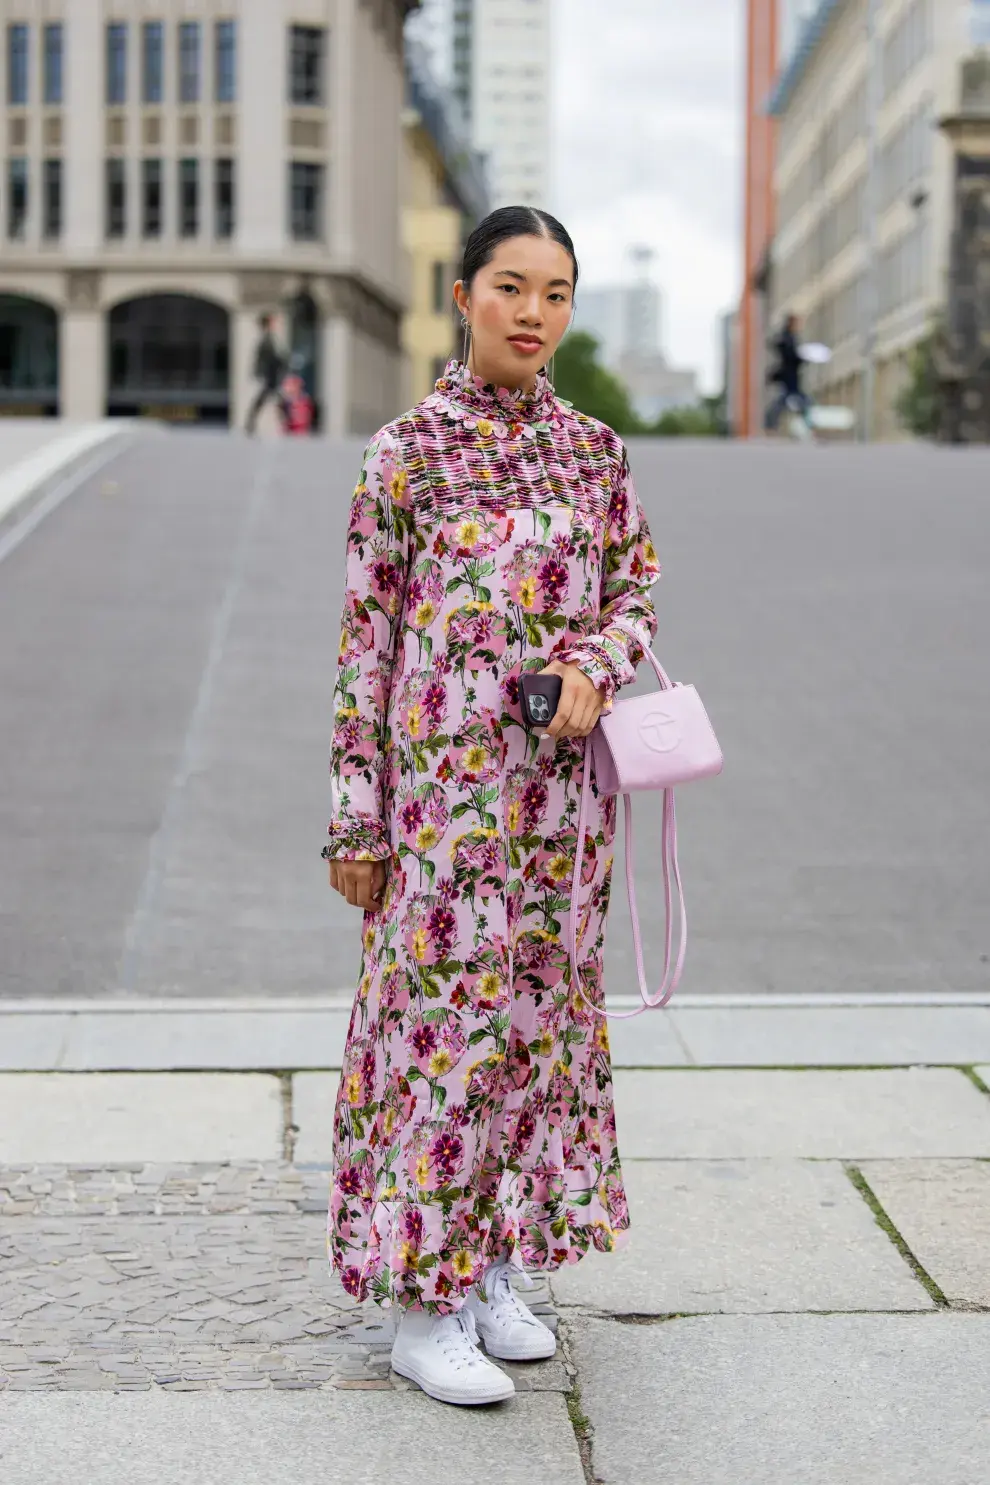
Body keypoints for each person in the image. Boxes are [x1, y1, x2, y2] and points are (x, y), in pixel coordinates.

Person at [322, 205, 661, 1407]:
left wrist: (593, 668)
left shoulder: (596, 453)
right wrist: (355, 816)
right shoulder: (405, 453)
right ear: (463, 294)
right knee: (440, 1040)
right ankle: (421, 1305)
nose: (533, 312)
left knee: (533, 1036)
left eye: (556, 292)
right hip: (441, 810)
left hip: (565, 813)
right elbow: (367, 643)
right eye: (510, 285)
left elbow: (637, 600)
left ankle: (490, 1272)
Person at [766, 312, 811, 433]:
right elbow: (789, 355)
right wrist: (800, 358)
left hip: (791, 375)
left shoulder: (790, 337)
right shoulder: (787, 338)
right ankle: (770, 424)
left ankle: (771, 424)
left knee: (793, 400)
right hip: (788, 375)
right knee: (794, 400)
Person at [245, 313, 287, 434]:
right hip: (269, 374)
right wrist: (280, 362)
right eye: (272, 322)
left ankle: (251, 424)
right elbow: (265, 357)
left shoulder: (269, 338)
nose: (275, 324)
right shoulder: (265, 339)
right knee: (268, 398)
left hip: (270, 374)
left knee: (270, 398)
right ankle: (251, 424)